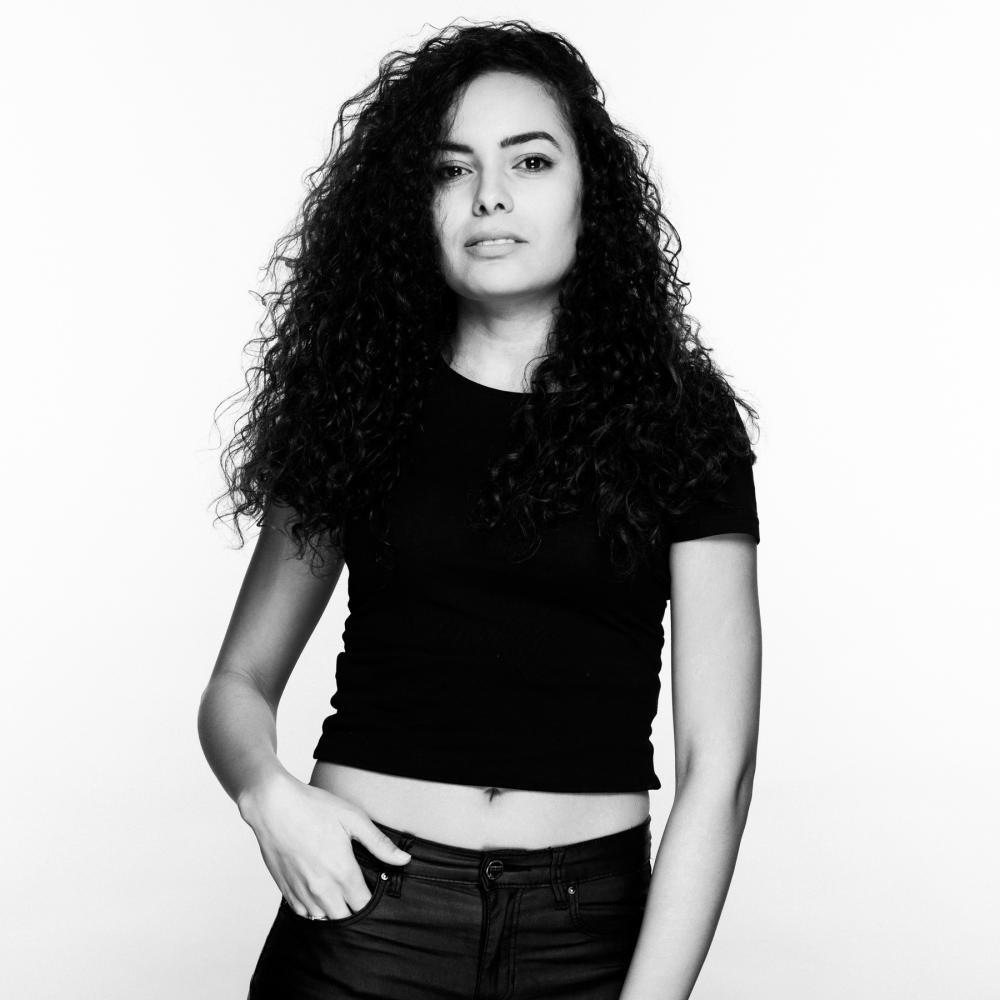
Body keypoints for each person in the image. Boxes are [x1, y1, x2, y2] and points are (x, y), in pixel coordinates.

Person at [199, 18, 762, 1000]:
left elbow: (721, 765)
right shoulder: (360, 401)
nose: (489, 195)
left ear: (591, 190)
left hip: (586, 938)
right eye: (451, 169)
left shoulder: (679, 419)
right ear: (411, 206)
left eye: (530, 161)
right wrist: (267, 796)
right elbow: (237, 682)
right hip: (364, 922)